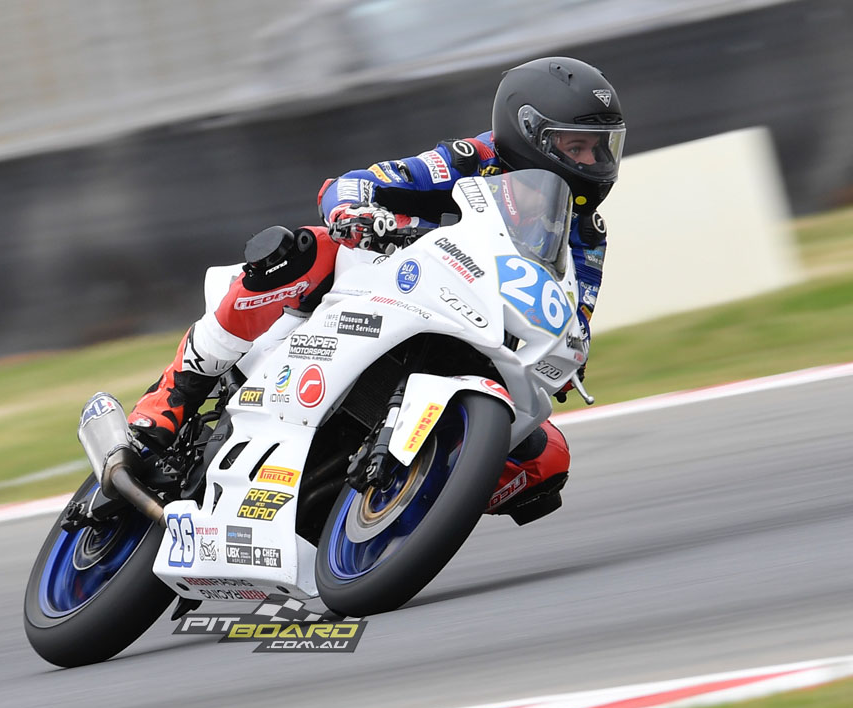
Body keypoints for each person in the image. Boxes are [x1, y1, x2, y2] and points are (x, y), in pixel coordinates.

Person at [121, 56, 626, 524]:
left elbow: (575, 313)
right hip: (394, 283)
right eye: (576, 146)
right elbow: (357, 182)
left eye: (601, 147)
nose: (593, 160)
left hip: (475, 333)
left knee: (546, 460)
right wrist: (355, 213)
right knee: (306, 249)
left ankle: (397, 507)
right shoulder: (473, 158)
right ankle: (171, 398)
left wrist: (567, 354)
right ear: (530, 134)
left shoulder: (586, 234)